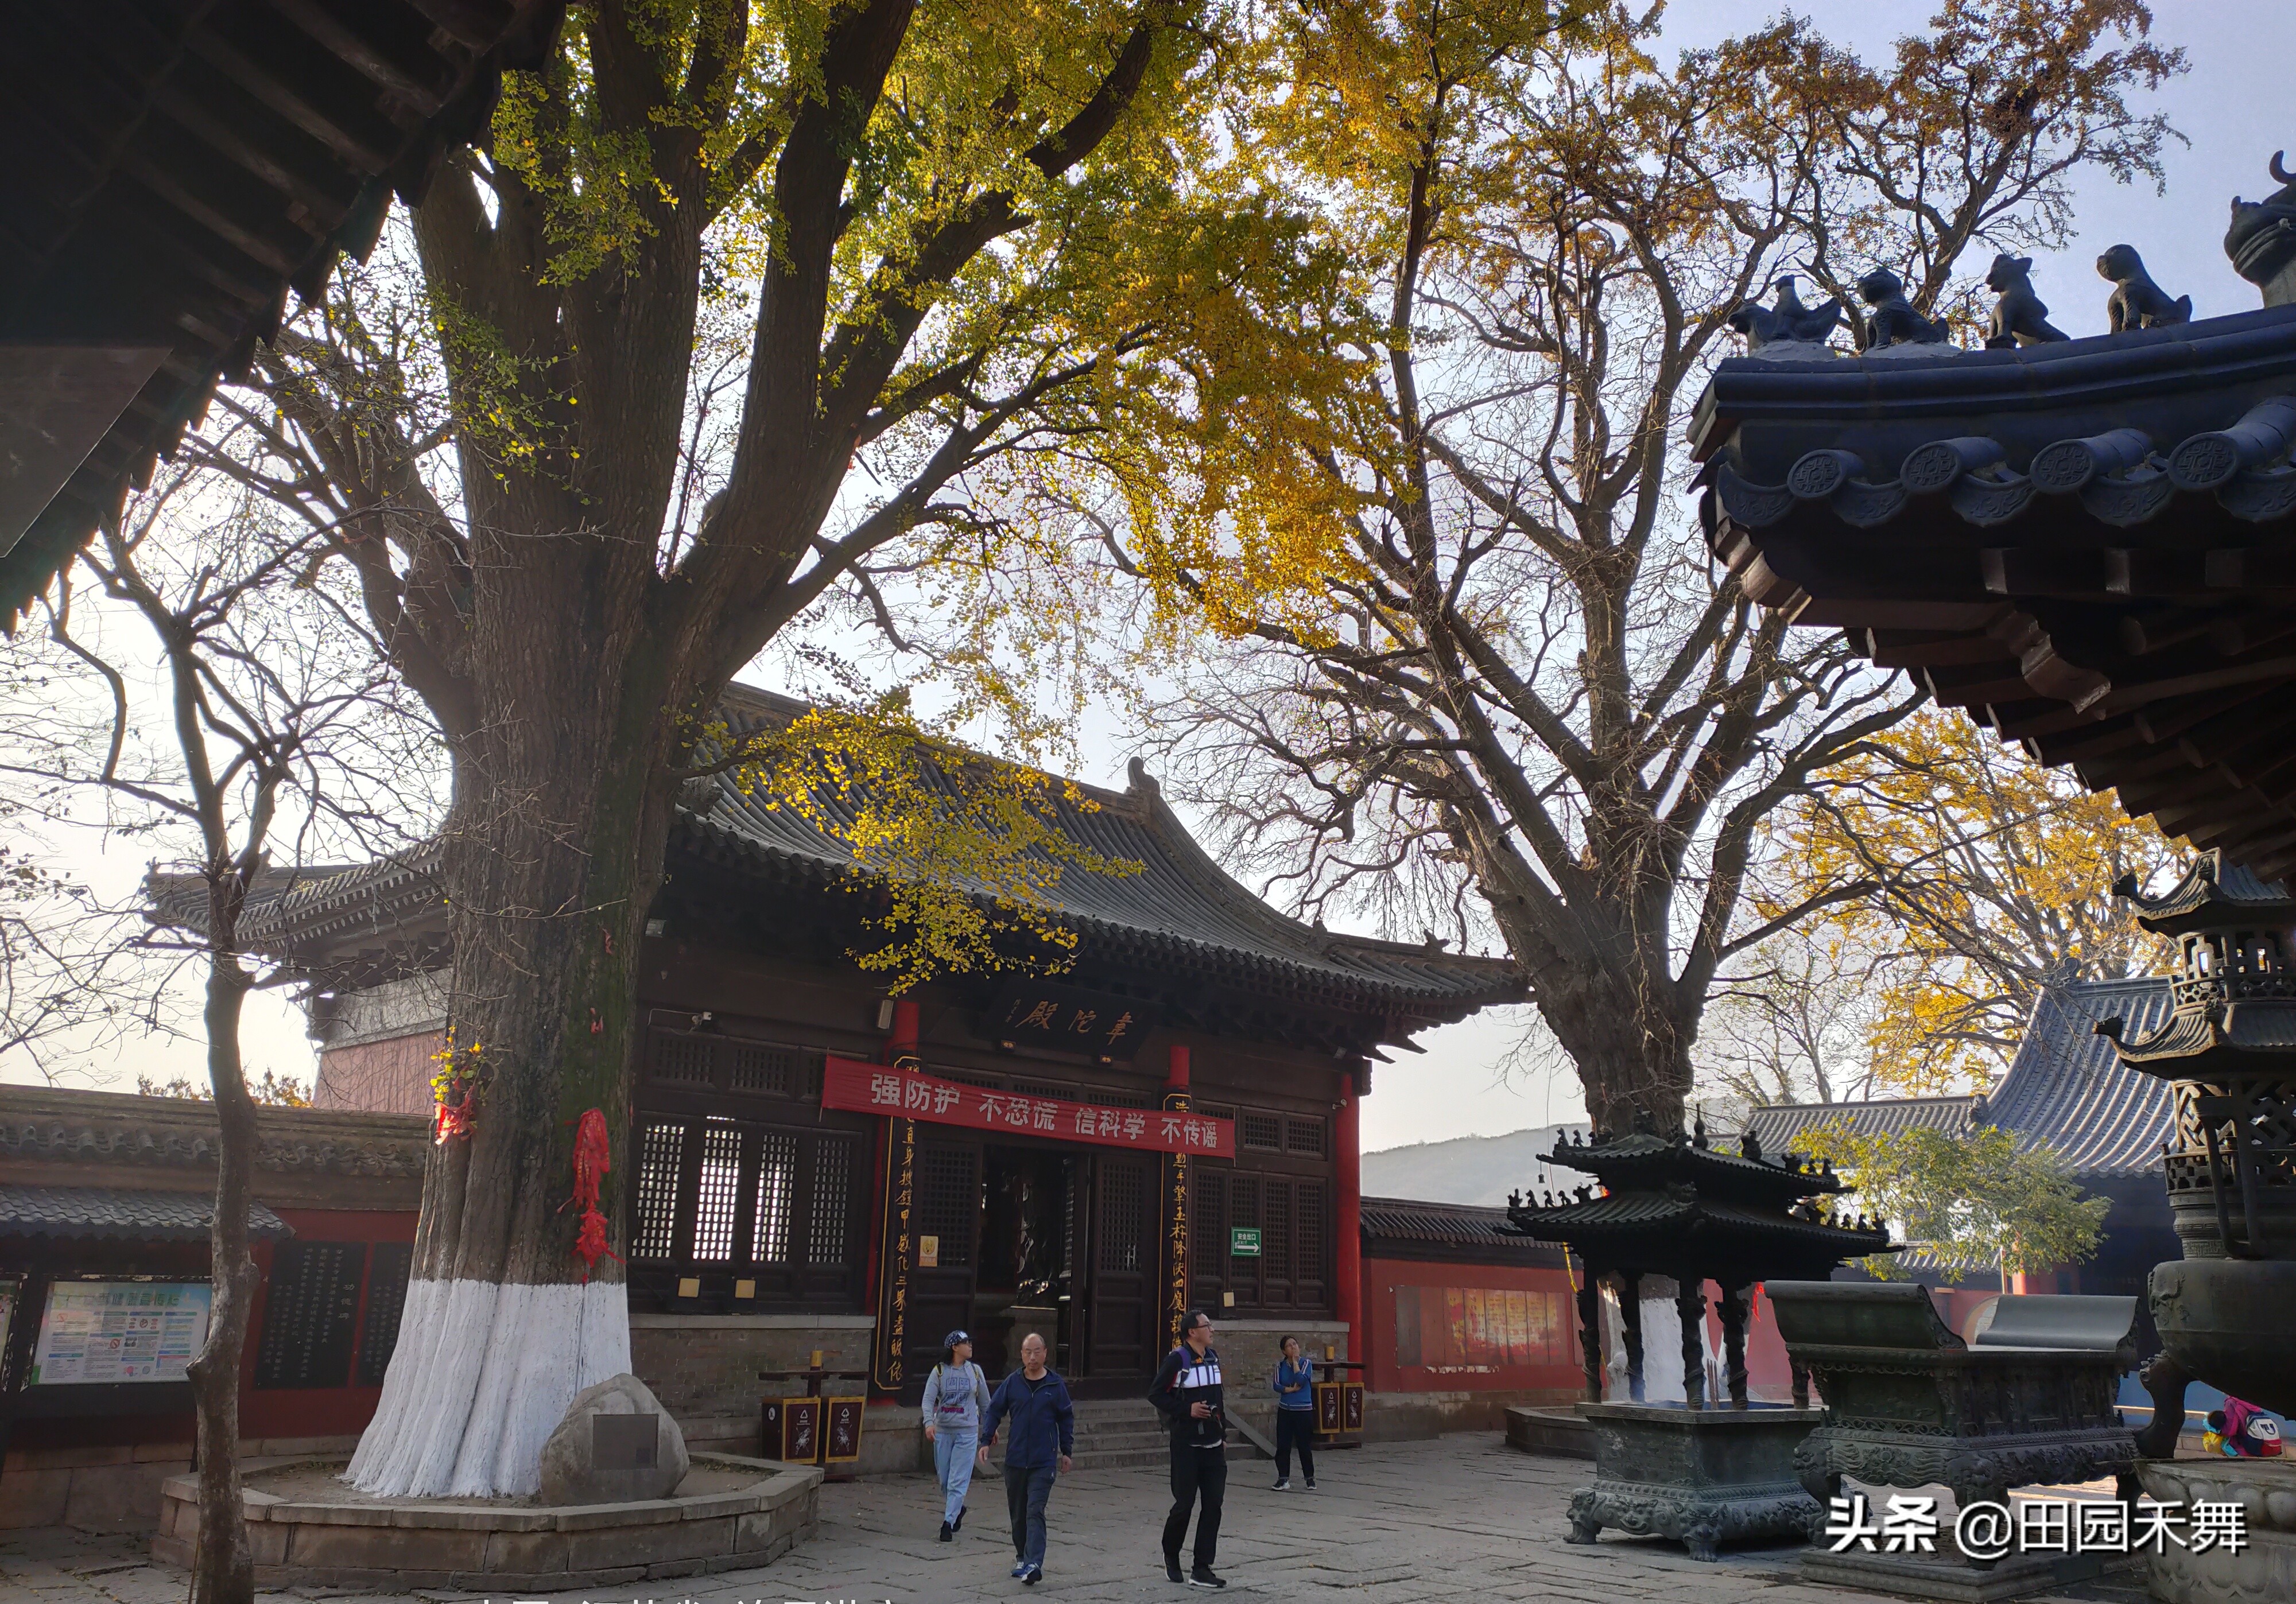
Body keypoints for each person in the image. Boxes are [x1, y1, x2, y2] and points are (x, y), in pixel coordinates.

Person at [978, 1331, 1074, 1586]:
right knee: (1018, 1513)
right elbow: (994, 1411)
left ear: (1045, 1353)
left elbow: (1066, 1418)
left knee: (1035, 1510)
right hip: (1016, 1460)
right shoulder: (1012, 1383)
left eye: (1037, 1351)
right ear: (1021, 1355)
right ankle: (1021, 1556)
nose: (1032, 1357)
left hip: (1044, 1461)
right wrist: (986, 1440)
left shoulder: (1055, 1385)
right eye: (1027, 1352)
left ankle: (1034, 1563)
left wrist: (1067, 1451)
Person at [1149, 1310, 1227, 1588]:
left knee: (1214, 1505)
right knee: (1184, 1504)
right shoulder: (1177, 1360)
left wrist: (1223, 1431)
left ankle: (1202, 1567)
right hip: (1186, 1445)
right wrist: (1187, 1409)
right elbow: (1156, 1394)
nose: (1211, 1330)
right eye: (1207, 1326)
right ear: (1192, 1332)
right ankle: (1171, 1554)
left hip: (1214, 1445)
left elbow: (1218, 1396)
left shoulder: (1213, 1357)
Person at [922, 1329, 991, 1540]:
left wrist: (990, 1428)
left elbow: (986, 1403)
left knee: (958, 1480)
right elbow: (928, 1400)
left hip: (967, 1432)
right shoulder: (939, 1372)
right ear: (954, 1347)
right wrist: (929, 1423)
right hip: (943, 1431)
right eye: (965, 1343)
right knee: (944, 1479)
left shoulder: (976, 1372)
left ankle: (948, 1523)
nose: (970, 1346)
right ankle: (958, 1508)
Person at [1270, 1335, 1316, 1490]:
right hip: (1286, 1410)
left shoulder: (1306, 1363)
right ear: (1284, 1351)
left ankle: (1310, 1478)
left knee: (1304, 1446)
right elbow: (1276, 1385)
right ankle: (1283, 1478)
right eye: (1289, 1346)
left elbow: (1301, 1380)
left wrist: (1296, 1363)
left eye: (1295, 1344)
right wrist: (1290, 1389)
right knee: (1283, 1446)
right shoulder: (1280, 1366)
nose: (1293, 1347)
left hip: (1303, 1410)